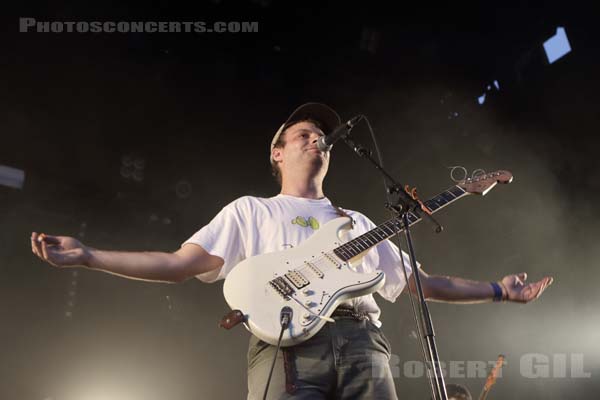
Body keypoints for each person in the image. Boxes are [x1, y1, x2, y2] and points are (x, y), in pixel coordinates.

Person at [30, 103, 553, 399]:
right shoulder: (251, 212)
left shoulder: (361, 224)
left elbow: (421, 285)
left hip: (365, 345)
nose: (317, 139)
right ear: (278, 152)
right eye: (304, 133)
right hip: (284, 347)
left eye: (323, 136)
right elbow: (178, 265)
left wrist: (497, 292)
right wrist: (90, 255)